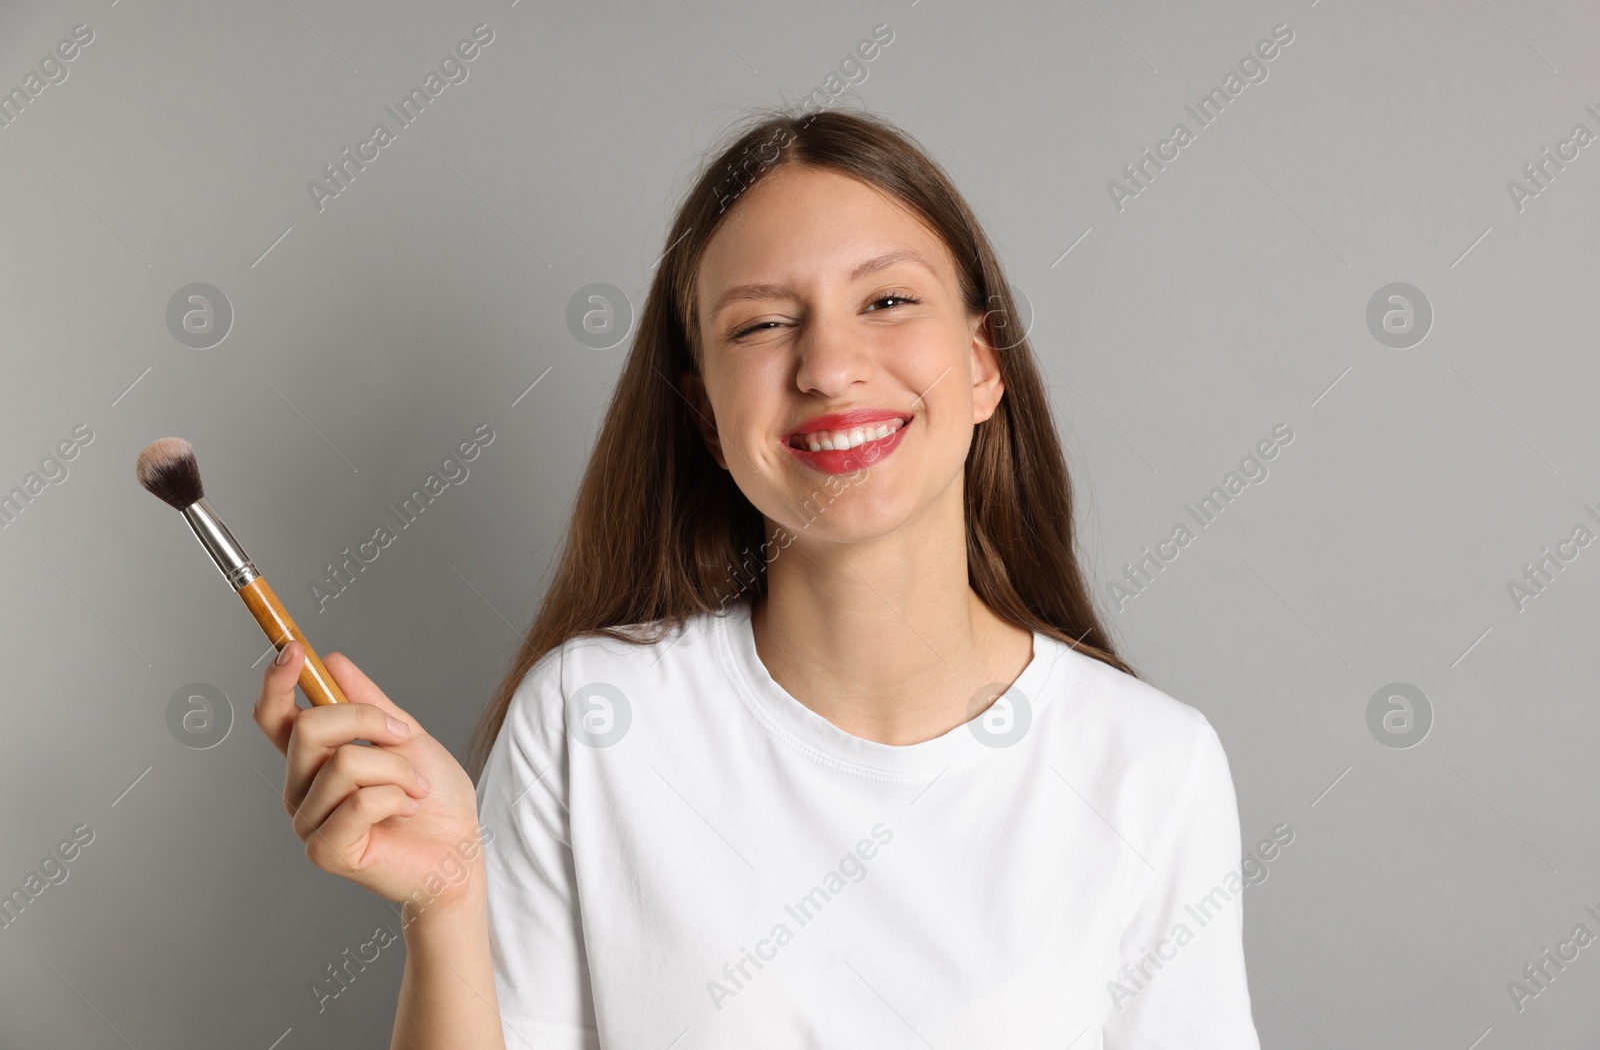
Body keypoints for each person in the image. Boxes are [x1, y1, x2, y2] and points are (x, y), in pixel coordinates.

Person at [254, 106, 1261, 1049]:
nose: (828, 364)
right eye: (760, 324)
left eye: (887, 300)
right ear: (705, 416)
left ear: (981, 361)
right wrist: (445, 899)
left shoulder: (1150, 766)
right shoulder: (590, 717)